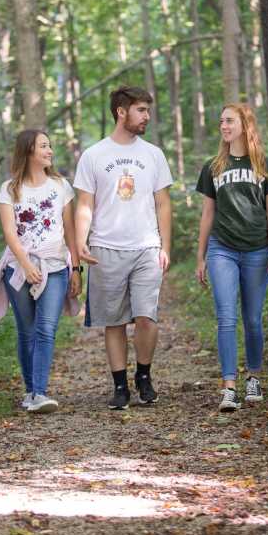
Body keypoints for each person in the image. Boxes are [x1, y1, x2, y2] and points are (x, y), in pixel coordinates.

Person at [74, 85, 173, 410]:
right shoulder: (93, 155)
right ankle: (120, 386)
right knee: (113, 321)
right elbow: (85, 205)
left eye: (147, 110)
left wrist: (164, 246)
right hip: (105, 248)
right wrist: (80, 242)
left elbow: (163, 204)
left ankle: (143, 377)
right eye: (141, 110)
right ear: (121, 111)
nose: (147, 116)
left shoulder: (153, 154)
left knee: (146, 317)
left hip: (146, 247)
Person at [0, 129, 81, 413]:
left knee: (46, 329)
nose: (50, 151)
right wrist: (26, 265)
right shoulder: (10, 189)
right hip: (17, 269)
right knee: (26, 331)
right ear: (28, 151)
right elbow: (9, 233)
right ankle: (30, 392)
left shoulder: (60, 186)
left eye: (50, 146)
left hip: (55, 266)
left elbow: (70, 232)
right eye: (44, 146)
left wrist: (76, 269)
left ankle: (39, 392)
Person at [195, 103, 268, 412]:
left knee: (253, 320)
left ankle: (254, 377)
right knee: (226, 318)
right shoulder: (214, 167)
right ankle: (229, 386)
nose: (223, 126)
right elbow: (207, 214)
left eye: (229, 120)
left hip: (258, 250)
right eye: (221, 121)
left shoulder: (266, 166)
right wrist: (201, 256)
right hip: (222, 249)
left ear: (245, 125)